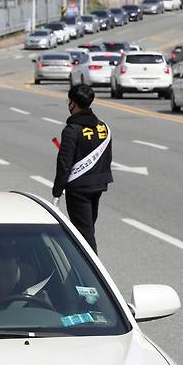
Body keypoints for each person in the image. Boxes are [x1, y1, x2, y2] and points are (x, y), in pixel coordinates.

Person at [52, 84, 113, 253]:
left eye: (69, 101)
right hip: (99, 184)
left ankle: (92, 272)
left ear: (73, 103)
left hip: (79, 189)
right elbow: (107, 157)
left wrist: (57, 193)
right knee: (88, 227)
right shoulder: (103, 127)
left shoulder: (72, 130)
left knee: (83, 234)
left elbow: (64, 164)